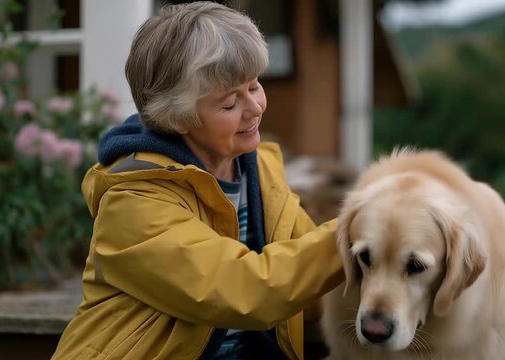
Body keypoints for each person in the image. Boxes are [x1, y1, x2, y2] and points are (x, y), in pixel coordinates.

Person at [52, 3, 343, 359]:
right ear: (178, 118)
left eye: (253, 85)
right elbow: (243, 290)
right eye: (229, 103)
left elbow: (312, 285)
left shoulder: (259, 173)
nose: (253, 107)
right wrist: (356, 229)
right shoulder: (133, 202)